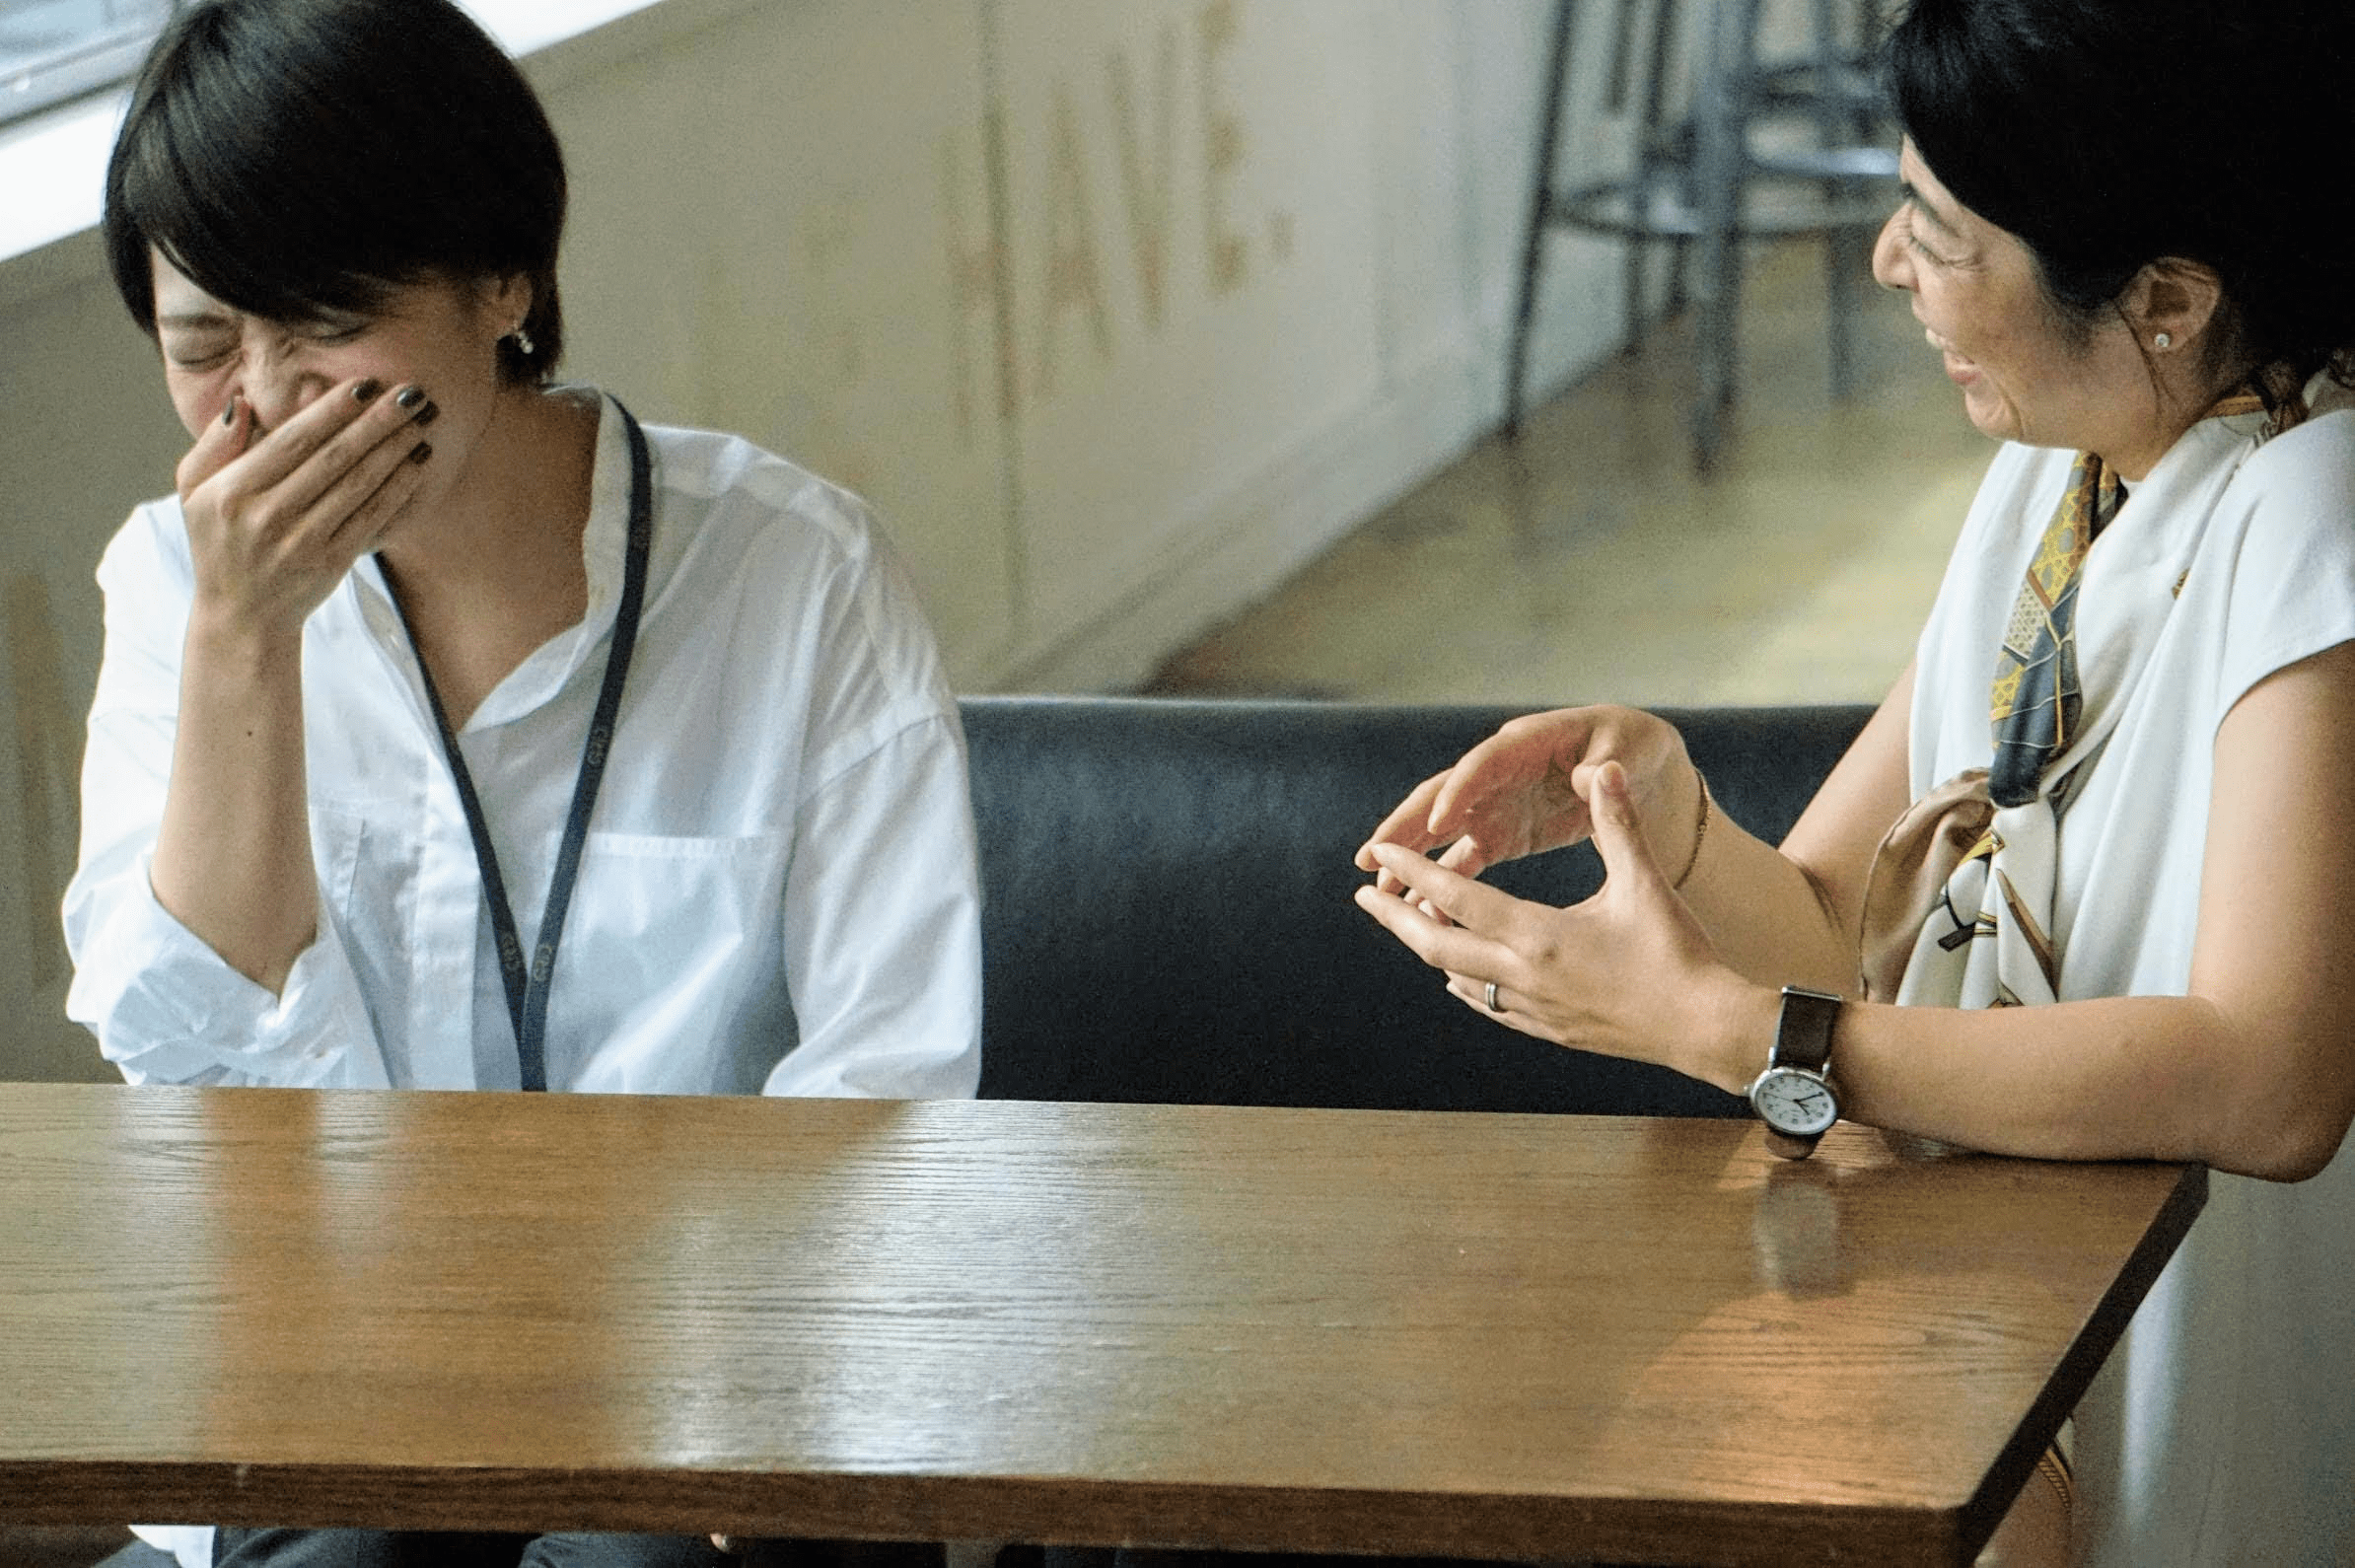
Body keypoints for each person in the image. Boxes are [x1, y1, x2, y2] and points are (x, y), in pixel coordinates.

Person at [1356, 2, 2355, 1564]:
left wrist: (1743, 1036)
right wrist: (1674, 820)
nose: (1889, 262)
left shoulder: (2314, 514)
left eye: (1939, 232)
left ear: (2166, 299)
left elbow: (2271, 1079)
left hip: (2201, 1361)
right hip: (2013, 1329)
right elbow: (1836, 922)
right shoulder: (2055, 476)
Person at [61, 1, 980, 1564]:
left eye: (325, 323)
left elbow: (892, 1088)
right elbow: (198, 1090)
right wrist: (242, 643)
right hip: (330, 1391)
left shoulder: (793, 576)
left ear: (505, 281)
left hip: (717, 1404)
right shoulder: (176, 590)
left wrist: (696, 1419)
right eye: (205, 345)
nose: (265, 404)